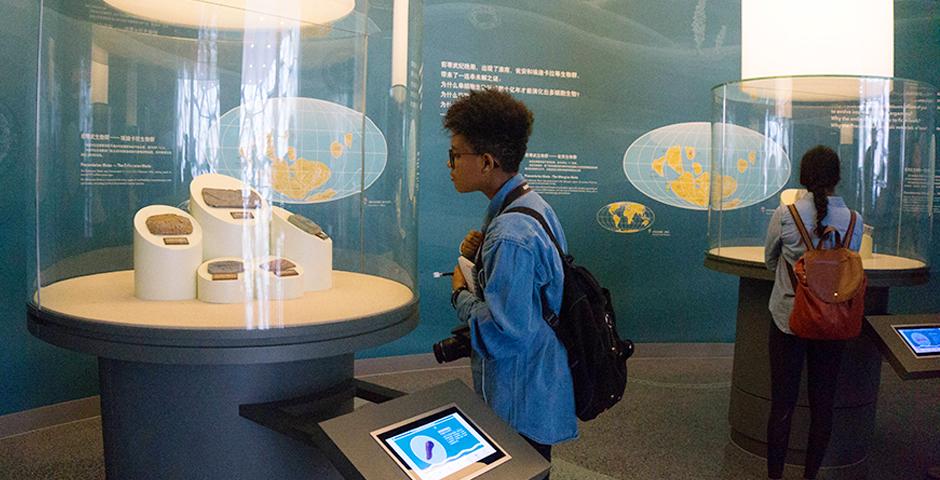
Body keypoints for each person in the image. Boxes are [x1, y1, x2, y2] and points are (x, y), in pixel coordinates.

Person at [444, 88, 577, 472]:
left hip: (519, 395)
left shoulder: (510, 232)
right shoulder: (530, 204)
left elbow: (507, 332)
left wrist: (459, 293)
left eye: (456, 155)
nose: (450, 165)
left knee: (519, 468)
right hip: (538, 379)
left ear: (486, 162)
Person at [763, 145, 864, 480]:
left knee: (782, 404)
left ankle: (774, 476)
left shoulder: (785, 214)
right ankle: (810, 476)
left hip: (788, 318)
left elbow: (770, 260)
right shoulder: (853, 220)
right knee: (823, 404)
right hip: (833, 322)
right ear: (837, 178)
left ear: (803, 178)